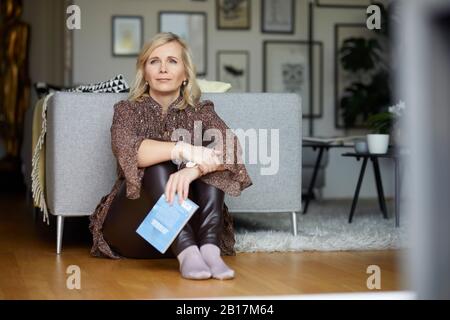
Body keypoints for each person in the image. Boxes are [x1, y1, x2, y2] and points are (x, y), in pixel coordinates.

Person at [89, 32, 253, 280]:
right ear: (144, 71)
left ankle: (209, 249)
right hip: (135, 233)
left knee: (215, 158)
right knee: (157, 165)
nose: (163, 68)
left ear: (185, 73)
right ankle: (186, 251)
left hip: (196, 230)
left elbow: (231, 148)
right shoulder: (127, 111)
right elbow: (129, 151)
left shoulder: (201, 112)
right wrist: (183, 149)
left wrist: (194, 170)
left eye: (172, 61)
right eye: (154, 61)